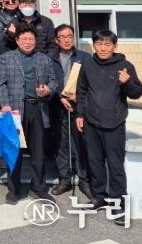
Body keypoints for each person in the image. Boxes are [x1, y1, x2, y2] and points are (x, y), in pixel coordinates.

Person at [76, 29, 142, 226]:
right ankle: (99, 197)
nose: (103, 48)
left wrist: (127, 82)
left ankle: (118, 203)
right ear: (94, 45)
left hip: (114, 123)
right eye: (99, 44)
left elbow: (137, 93)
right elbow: (81, 91)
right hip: (91, 123)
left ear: (115, 46)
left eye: (107, 44)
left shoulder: (125, 66)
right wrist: (80, 115)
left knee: (115, 166)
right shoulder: (88, 64)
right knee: (95, 162)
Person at [0, 25, 59, 205]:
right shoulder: (7, 58)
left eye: (30, 39)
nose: (27, 42)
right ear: (17, 41)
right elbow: (1, 84)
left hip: (37, 109)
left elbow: (54, 81)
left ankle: (38, 188)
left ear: (35, 41)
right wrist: (5, 104)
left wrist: (48, 90)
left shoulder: (44, 59)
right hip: (14, 110)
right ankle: (13, 190)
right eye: (23, 39)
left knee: (38, 151)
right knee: (13, 151)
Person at [48, 24, 92, 199]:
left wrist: (78, 96)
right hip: (57, 106)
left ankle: (84, 180)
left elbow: (90, 83)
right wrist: (61, 97)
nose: (67, 40)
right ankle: (64, 179)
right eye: (62, 37)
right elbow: (48, 80)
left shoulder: (84, 57)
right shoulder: (50, 58)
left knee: (81, 144)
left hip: (79, 107)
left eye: (70, 36)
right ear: (56, 40)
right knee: (61, 145)